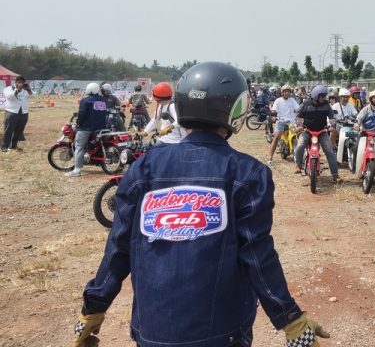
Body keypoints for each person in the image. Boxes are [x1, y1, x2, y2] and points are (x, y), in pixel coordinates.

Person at [69, 62, 328, 347]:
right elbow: (257, 256)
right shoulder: (248, 173)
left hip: (152, 332)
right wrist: (291, 320)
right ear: (236, 110)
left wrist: (92, 309)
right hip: (223, 333)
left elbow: (118, 247)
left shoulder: (142, 169)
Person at [294, 85, 341, 182]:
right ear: (316, 96)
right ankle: (298, 165)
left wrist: (332, 126)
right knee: (300, 146)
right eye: (322, 96)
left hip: (322, 131)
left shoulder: (326, 105)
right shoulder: (306, 104)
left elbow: (332, 117)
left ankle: (335, 175)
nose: (324, 98)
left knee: (330, 151)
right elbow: (298, 114)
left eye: (325, 96)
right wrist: (299, 125)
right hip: (307, 131)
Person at [66, 83, 108, 178]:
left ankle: (77, 170)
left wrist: (78, 122)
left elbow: (82, 114)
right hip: (101, 128)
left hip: (86, 128)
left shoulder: (85, 101)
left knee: (79, 146)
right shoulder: (103, 100)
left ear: (89, 90)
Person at [267, 84, 300, 164]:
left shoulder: (292, 100)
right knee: (276, 138)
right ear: (282, 92)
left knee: (297, 135)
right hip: (280, 121)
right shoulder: (278, 101)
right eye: (285, 92)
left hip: (291, 122)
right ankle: (270, 158)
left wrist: (301, 111)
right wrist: (274, 116)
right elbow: (274, 110)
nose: (287, 93)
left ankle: (299, 155)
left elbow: (298, 109)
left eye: (288, 92)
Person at [2, 75, 31, 152]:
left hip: (24, 112)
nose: (21, 84)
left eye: (22, 83)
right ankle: (5, 147)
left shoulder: (24, 90)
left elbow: (31, 95)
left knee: (19, 130)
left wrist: (28, 89)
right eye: (19, 82)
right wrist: (18, 90)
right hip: (11, 112)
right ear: (15, 82)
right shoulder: (9, 88)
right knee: (9, 130)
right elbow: (10, 97)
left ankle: (13, 146)